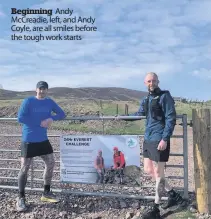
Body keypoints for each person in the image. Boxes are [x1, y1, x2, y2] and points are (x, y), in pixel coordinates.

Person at [119, 72, 186, 219]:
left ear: (158, 81)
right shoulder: (146, 99)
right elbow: (139, 113)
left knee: (159, 173)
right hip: (148, 138)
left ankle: (156, 208)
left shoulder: (165, 97)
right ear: (145, 83)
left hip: (159, 139)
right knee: (149, 171)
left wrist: (165, 138)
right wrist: (123, 117)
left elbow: (170, 118)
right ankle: (173, 195)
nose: (151, 83)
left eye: (154, 80)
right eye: (149, 81)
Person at [16, 81, 66, 212]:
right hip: (29, 140)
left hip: (43, 140)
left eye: (44, 89)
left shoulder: (49, 102)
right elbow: (20, 118)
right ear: (36, 89)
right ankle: (21, 198)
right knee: (24, 168)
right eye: (40, 89)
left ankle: (46, 193)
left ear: (47, 91)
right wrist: (40, 122)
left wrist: (51, 119)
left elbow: (62, 114)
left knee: (51, 163)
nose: (42, 91)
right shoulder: (28, 101)